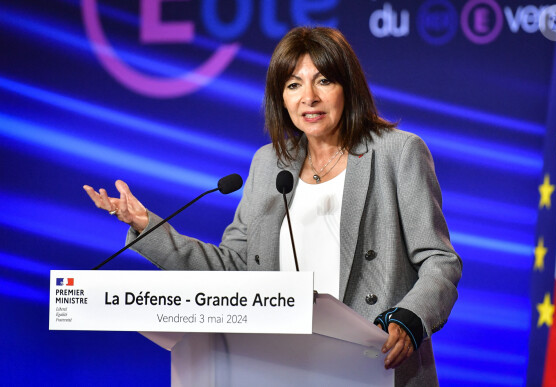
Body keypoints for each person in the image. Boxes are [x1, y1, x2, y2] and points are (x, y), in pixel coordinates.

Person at [84, 26, 462, 386]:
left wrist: (410, 320)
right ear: (280, 97)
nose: (308, 97)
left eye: (323, 81)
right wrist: (146, 226)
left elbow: (439, 260)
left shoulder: (398, 152)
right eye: (293, 84)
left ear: (348, 86)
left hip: (374, 365)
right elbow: (234, 267)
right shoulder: (269, 164)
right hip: (281, 366)